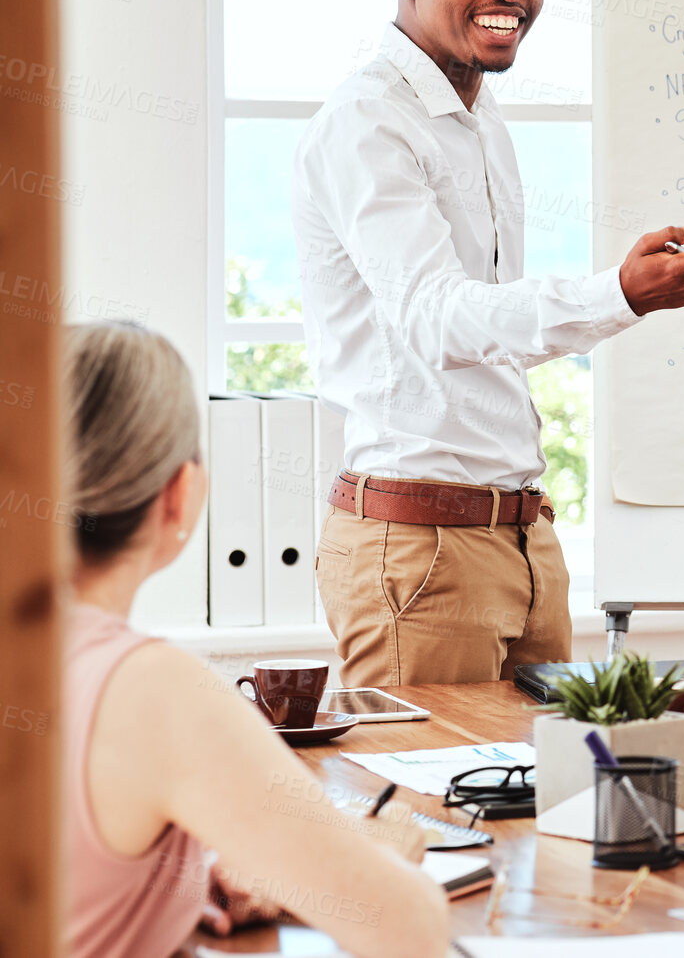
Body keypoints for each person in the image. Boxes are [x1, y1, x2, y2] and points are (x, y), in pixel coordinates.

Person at [293, 0, 684, 687]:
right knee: (427, 810)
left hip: (519, 536)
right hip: (419, 546)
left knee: (547, 807)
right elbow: (438, 318)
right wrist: (621, 296)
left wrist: (622, 302)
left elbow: (490, 329)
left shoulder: (479, 120)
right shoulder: (368, 123)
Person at [60, 321, 449, 958]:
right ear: (181, 496)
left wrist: (174, 881)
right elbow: (413, 933)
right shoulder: (151, 692)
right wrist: (384, 852)